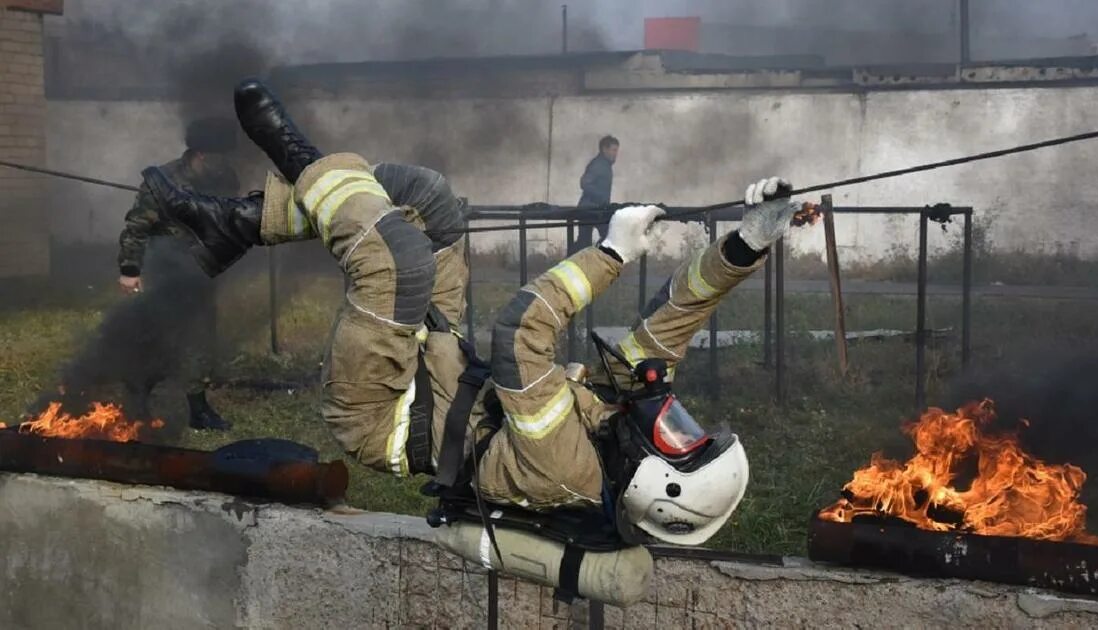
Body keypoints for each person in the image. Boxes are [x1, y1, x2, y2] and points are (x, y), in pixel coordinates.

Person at [141, 80, 804, 547]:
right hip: (443, 368)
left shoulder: (570, 466)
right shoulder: (615, 431)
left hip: (383, 407)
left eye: (681, 443)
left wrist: (609, 252)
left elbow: (520, 335)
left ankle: (286, 164)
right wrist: (753, 239)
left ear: (660, 483)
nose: (674, 422)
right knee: (433, 205)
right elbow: (676, 317)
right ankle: (234, 221)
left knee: (394, 257)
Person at [115, 117, 241, 430]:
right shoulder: (163, 182)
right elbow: (136, 227)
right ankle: (139, 402)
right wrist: (130, 270)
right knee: (161, 339)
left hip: (200, 271)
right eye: (219, 157)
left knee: (200, 341)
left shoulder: (223, 178)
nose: (225, 164)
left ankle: (198, 410)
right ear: (200, 155)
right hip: (166, 270)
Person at [574, 135, 619, 250]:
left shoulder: (604, 165)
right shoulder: (599, 164)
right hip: (591, 209)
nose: (616, 153)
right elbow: (584, 183)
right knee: (609, 237)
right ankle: (593, 256)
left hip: (592, 209)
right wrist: (601, 199)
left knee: (584, 243)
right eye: (613, 150)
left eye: (616, 150)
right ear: (605, 149)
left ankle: (587, 258)